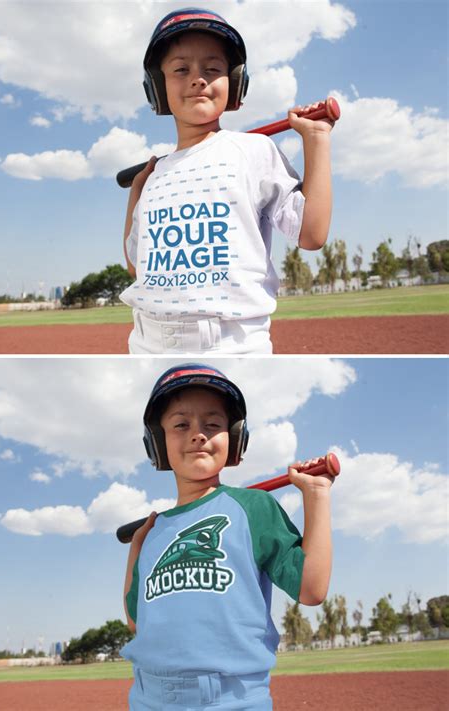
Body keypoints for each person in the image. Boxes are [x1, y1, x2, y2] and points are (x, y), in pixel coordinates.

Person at [120, 8, 335, 354]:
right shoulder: (154, 176)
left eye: (213, 68)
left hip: (232, 346)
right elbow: (136, 266)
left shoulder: (253, 150)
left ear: (235, 82)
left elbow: (311, 234)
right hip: (146, 343)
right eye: (180, 69)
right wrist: (136, 192)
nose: (198, 78)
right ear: (157, 86)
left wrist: (317, 138)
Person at [121, 363, 335, 710]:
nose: (198, 434)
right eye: (180, 424)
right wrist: (136, 549)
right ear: (157, 441)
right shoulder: (153, 533)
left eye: (213, 423)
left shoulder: (253, 507)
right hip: (148, 698)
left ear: (234, 437)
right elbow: (137, 622)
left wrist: (316, 494)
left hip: (229, 700)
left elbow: (311, 589)